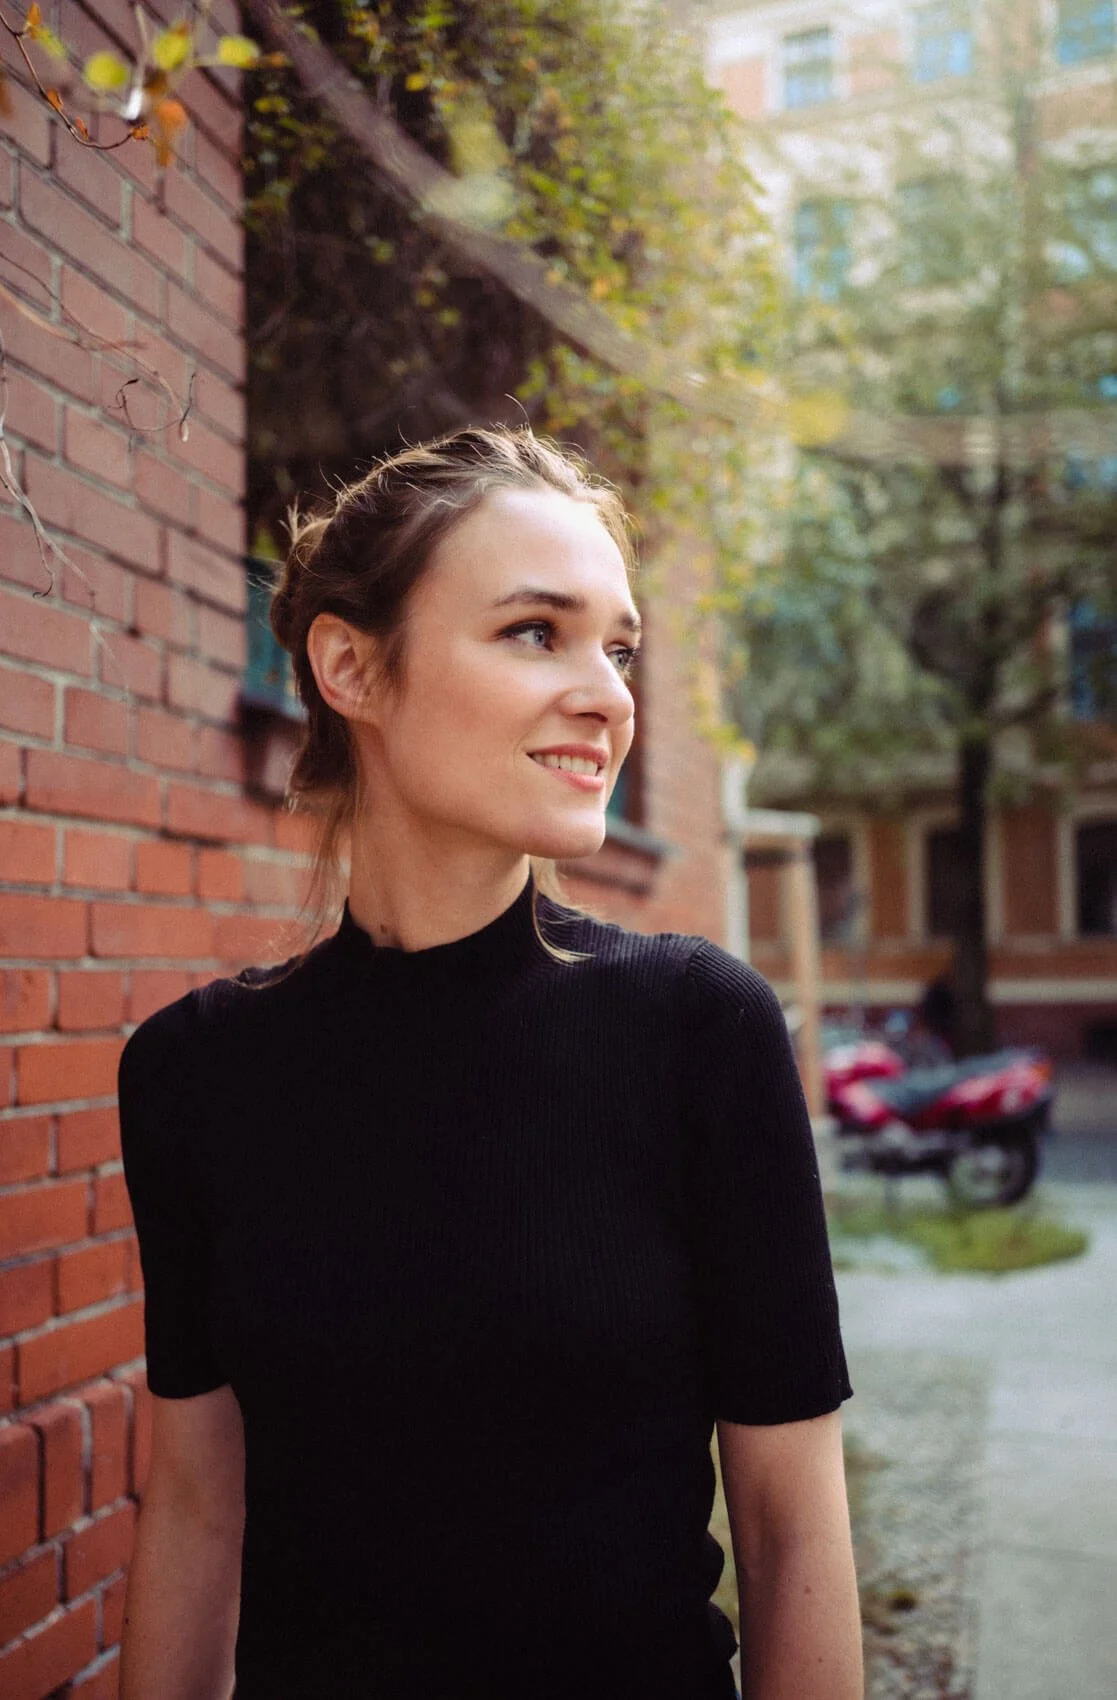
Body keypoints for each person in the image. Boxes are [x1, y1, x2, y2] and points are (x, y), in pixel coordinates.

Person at [117, 427, 863, 1700]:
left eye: (617, 647)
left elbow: (792, 1528)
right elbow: (193, 1512)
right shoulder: (194, 1074)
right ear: (350, 663)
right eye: (536, 631)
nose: (608, 694)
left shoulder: (699, 1031)